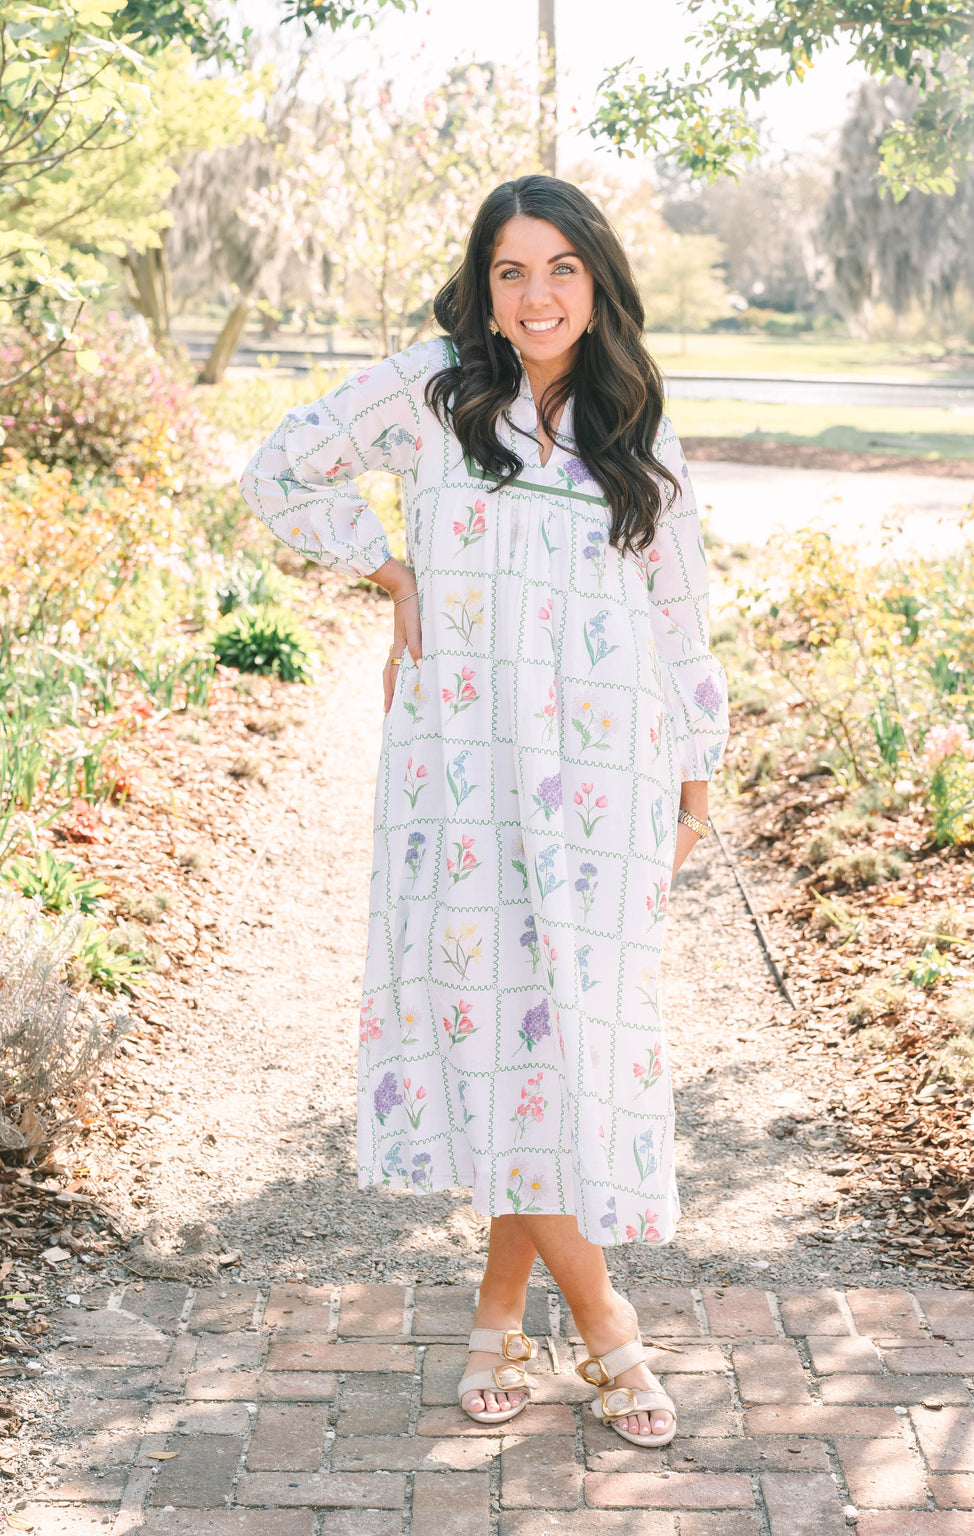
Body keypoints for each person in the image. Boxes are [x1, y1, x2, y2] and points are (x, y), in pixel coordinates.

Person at [240, 174, 728, 1449]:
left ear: (597, 281)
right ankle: (609, 1329)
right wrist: (391, 571)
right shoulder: (436, 390)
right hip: (459, 775)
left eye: (561, 267)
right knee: (500, 1038)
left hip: (606, 780)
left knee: (559, 1050)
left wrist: (696, 773)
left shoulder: (635, 423)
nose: (537, 295)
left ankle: (499, 1321)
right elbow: (280, 467)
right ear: (483, 285)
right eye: (512, 271)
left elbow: (678, 615)